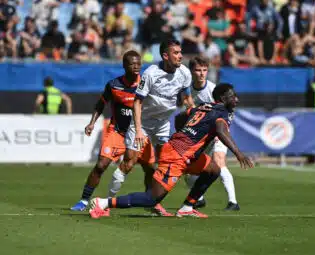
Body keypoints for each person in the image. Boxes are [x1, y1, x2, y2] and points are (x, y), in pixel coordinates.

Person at [89, 83, 253, 219]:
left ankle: (187, 207)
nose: (236, 100)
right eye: (233, 96)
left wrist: (185, 133)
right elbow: (221, 130)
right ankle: (103, 203)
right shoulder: (222, 111)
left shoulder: (204, 106)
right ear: (223, 99)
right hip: (177, 155)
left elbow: (180, 117)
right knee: (151, 199)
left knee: (213, 170)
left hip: (185, 152)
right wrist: (238, 154)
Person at [106, 39, 195, 216]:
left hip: (163, 123)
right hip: (143, 123)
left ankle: (155, 203)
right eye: (176, 53)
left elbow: (187, 98)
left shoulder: (184, 73)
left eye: (180, 52)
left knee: (165, 164)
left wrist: (191, 113)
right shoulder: (150, 74)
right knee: (129, 162)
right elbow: (137, 102)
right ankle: (106, 203)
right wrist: (138, 130)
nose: (180, 56)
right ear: (165, 55)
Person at [70, 50, 155, 212]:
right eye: (132, 64)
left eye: (139, 64)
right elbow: (101, 104)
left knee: (150, 168)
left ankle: (150, 202)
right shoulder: (114, 85)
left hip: (139, 133)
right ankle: (83, 200)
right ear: (124, 66)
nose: (136, 67)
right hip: (118, 132)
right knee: (101, 165)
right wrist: (92, 123)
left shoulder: (146, 84)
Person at [184, 56, 240, 210]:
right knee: (187, 169)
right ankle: (199, 198)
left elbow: (229, 110)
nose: (201, 74)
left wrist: (222, 129)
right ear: (191, 71)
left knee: (219, 161)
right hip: (200, 135)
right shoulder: (187, 90)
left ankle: (233, 202)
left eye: (204, 70)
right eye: (198, 70)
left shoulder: (213, 90)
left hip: (217, 132)